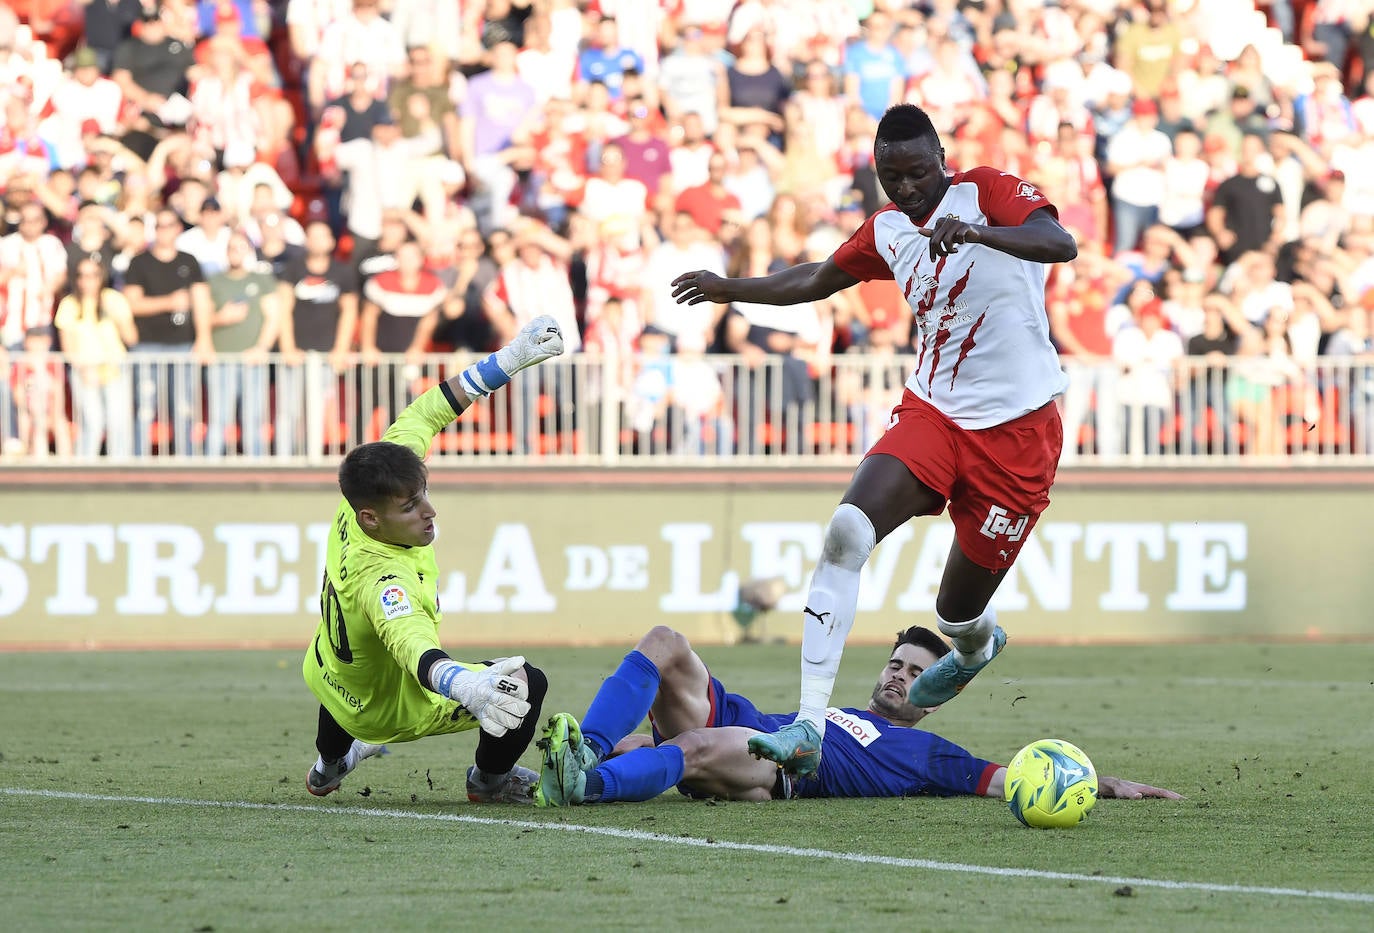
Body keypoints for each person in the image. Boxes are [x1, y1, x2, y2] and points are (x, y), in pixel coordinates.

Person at [671, 103, 1078, 777]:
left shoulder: (990, 193)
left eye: (918, 172)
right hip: (934, 414)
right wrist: (728, 289)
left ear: (941, 158)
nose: (908, 188)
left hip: (1018, 432)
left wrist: (977, 234)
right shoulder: (889, 230)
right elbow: (817, 278)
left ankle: (975, 648)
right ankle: (807, 724)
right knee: (846, 533)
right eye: (893, 176)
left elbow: (1058, 245)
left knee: (957, 611)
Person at [302, 314, 566, 803]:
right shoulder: (384, 579)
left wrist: (507, 360)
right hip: (391, 711)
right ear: (372, 520)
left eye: (423, 494)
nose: (429, 511)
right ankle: (488, 782)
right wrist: (464, 683)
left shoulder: (365, 489)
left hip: (327, 673)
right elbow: (412, 646)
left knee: (344, 681)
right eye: (410, 507)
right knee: (527, 682)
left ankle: (328, 765)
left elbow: (427, 414)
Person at [534, 625, 1180, 806]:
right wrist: (631, 741)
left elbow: (1012, 776)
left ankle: (584, 788)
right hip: (758, 720)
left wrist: (1101, 781)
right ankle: (585, 752)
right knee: (666, 642)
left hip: (784, 768)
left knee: (702, 744)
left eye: (915, 670)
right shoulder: (836, 708)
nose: (898, 673)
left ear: (942, 691)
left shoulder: (932, 755)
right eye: (895, 662)